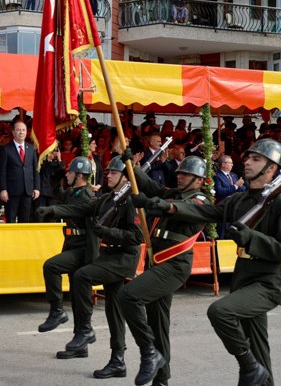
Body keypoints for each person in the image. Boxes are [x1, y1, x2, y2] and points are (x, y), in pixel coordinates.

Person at [165, 139, 281, 386]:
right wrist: (169, 207)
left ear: (271, 168)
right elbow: (207, 213)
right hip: (244, 277)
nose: (246, 162)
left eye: (256, 159)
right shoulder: (241, 200)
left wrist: (250, 237)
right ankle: (256, 372)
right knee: (259, 350)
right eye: (248, 158)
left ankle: (248, 365)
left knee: (220, 312)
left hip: (268, 282)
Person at [39, 156, 142, 378]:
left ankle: (85, 330)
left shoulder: (132, 200)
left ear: (125, 177)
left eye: (114, 172)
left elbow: (136, 237)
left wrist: (106, 232)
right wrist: (53, 211)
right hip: (110, 256)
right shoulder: (109, 198)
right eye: (108, 172)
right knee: (113, 310)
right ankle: (118, 360)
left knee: (81, 276)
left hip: (124, 259)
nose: (109, 175)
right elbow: (83, 209)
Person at [123, 156, 210, 386]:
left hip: (174, 265)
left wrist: (152, 204)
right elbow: (152, 187)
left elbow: (180, 209)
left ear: (199, 180)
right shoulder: (173, 193)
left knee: (128, 296)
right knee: (158, 323)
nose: (179, 176)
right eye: (179, 173)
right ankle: (161, 380)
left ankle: (149, 352)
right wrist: (131, 164)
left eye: (185, 174)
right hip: (158, 263)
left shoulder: (200, 200)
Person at [36, 157, 97, 336]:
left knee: (51, 266)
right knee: (77, 293)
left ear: (79, 176)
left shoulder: (87, 196)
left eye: (70, 172)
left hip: (82, 247)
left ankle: (57, 311)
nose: (67, 174)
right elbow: (57, 192)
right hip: (71, 244)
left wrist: (53, 210)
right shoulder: (73, 192)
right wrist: (54, 169)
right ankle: (81, 338)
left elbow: (73, 212)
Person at [0, 119, 40, 223]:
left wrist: (36, 187)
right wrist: (3, 189)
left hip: (27, 191)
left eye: (23, 130)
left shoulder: (32, 148)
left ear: (27, 132)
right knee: (11, 220)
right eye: (18, 130)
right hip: (11, 192)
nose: (21, 132)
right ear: (13, 132)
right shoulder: (6, 149)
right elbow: (2, 171)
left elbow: (36, 169)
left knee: (25, 221)